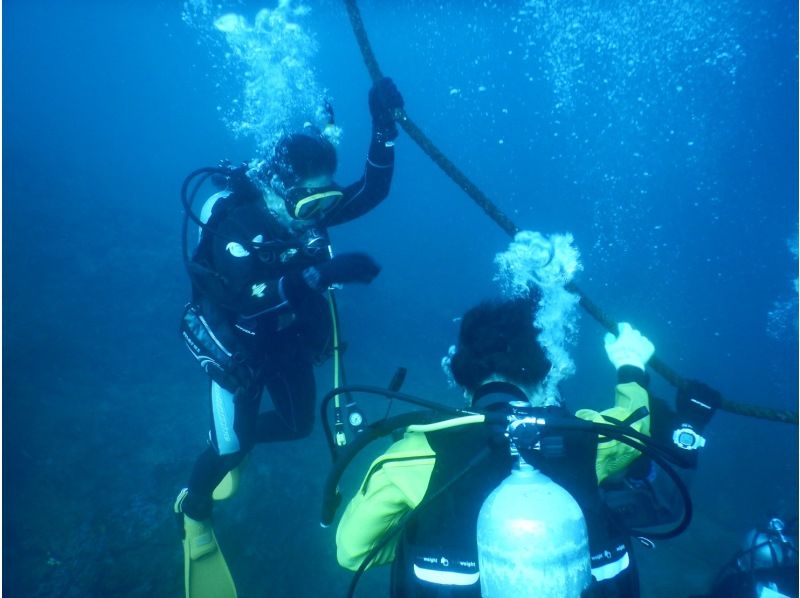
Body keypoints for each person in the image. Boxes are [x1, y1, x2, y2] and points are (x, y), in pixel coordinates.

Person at [175, 77, 404, 598]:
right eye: (309, 204)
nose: (320, 216)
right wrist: (319, 276)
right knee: (231, 448)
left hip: (285, 338)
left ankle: (241, 434)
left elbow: (373, 190)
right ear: (278, 188)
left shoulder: (305, 210)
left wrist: (383, 130)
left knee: (301, 424)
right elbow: (243, 296)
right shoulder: (239, 221)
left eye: (326, 199)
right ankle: (193, 507)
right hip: (237, 343)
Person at [335, 295, 661, 597]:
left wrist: (422, 530)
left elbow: (353, 552)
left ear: (465, 385)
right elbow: (633, 426)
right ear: (543, 376)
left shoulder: (412, 455)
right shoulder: (586, 440)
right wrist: (630, 363)